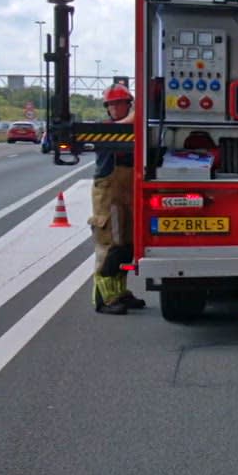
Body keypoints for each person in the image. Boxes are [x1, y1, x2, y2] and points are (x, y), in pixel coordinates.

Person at [91, 81, 145, 315]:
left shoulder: (132, 127)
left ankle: (120, 291)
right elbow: (126, 125)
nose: (115, 108)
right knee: (110, 244)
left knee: (126, 244)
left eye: (119, 104)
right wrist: (138, 113)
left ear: (127, 104)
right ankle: (105, 298)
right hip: (108, 193)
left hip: (126, 192)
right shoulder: (106, 128)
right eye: (111, 105)